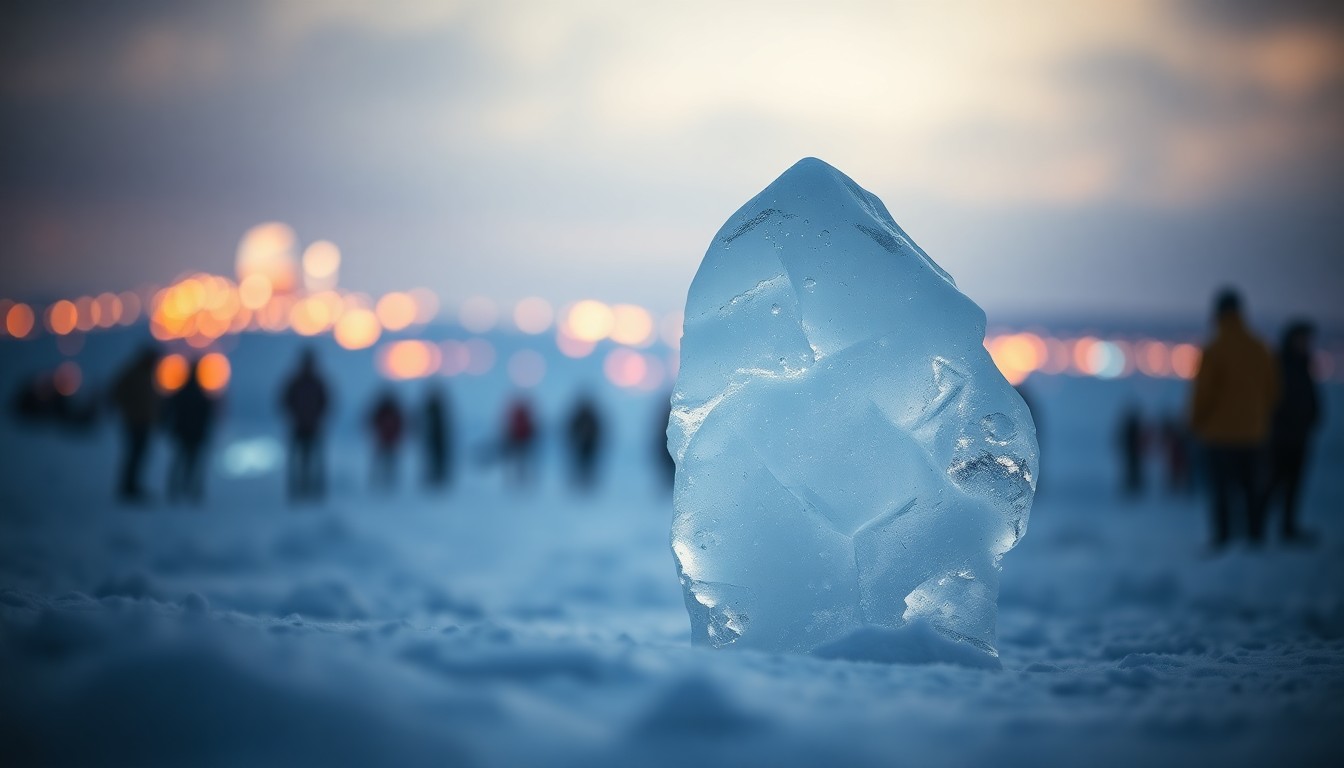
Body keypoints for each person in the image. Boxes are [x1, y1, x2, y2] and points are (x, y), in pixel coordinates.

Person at [1189, 289, 1278, 549]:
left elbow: (1203, 393)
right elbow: (1273, 391)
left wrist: (1194, 423)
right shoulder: (1259, 348)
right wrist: (1257, 417)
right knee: (1252, 491)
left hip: (1219, 436)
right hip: (1253, 434)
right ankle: (1254, 539)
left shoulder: (1215, 349)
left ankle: (1223, 542)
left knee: (1221, 494)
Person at [1265, 321, 1321, 544]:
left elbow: (1310, 398)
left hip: (1299, 437)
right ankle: (1258, 528)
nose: (1306, 344)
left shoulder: (1303, 364)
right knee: (1273, 484)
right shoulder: (1281, 364)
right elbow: (1273, 399)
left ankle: (1287, 527)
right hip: (1280, 438)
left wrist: (1313, 416)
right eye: (1302, 338)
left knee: (1294, 486)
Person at [110, 346, 160, 503]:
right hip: (134, 422)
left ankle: (133, 485)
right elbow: (116, 391)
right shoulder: (134, 373)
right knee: (134, 455)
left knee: (140, 456)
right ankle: (128, 487)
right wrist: (129, 410)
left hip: (145, 422)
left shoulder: (148, 375)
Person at [280, 349, 330, 502]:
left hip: (313, 427)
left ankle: (314, 491)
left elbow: (325, 402)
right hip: (300, 427)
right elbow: (285, 401)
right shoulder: (298, 382)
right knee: (299, 461)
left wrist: (317, 417)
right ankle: (298, 490)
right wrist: (296, 417)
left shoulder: (314, 383)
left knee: (313, 460)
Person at [165, 359, 216, 503]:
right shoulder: (200, 393)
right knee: (191, 462)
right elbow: (207, 414)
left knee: (182, 462)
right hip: (193, 432)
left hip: (185, 432)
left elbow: (170, 410)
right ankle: (190, 490)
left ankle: (178, 490)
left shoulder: (182, 392)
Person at [367, 390, 405, 491]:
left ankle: (387, 480)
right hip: (384, 438)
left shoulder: (388, 410)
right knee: (382, 460)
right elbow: (374, 421)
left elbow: (399, 424)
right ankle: (378, 480)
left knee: (389, 461)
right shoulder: (385, 410)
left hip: (388, 439)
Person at [565, 394, 603, 490]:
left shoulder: (588, 416)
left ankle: (586, 482)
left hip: (589, 444)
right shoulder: (585, 416)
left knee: (587, 464)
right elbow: (571, 429)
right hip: (581, 444)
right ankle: (581, 481)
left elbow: (598, 430)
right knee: (580, 463)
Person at [501, 397, 537, 488]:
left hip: (522, 441)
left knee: (521, 461)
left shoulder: (520, 416)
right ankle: (517, 479)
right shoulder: (522, 416)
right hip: (518, 441)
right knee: (518, 461)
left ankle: (521, 479)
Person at [422, 387, 453, 489]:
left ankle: (439, 476)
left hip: (438, 439)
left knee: (438, 459)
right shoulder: (433, 409)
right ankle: (435, 476)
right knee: (433, 458)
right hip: (434, 439)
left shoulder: (436, 409)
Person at [1116, 404, 1145, 497]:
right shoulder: (1134, 427)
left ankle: (1134, 485)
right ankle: (1133, 485)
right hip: (1132, 452)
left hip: (1132, 452)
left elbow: (1122, 439)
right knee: (1133, 469)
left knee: (1132, 469)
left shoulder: (1130, 427)